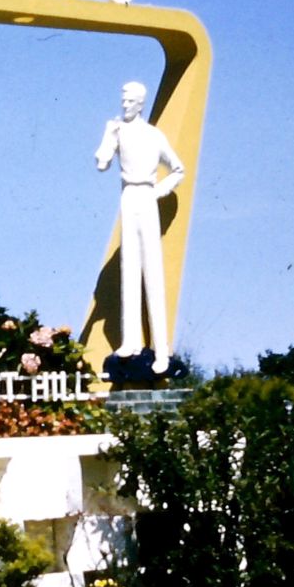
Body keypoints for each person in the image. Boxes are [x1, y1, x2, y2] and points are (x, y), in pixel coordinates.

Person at [94, 80, 186, 374]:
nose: (125, 106)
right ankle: (131, 341)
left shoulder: (153, 135)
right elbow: (102, 163)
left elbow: (178, 168)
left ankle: (161, 350)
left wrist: (160, 190)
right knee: (129, 270)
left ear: (140, 103)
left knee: (152, 272)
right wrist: (108, 135)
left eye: (130, 101)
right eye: (122, 101)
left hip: (146, 194)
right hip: (127, 195)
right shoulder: (118, 130)